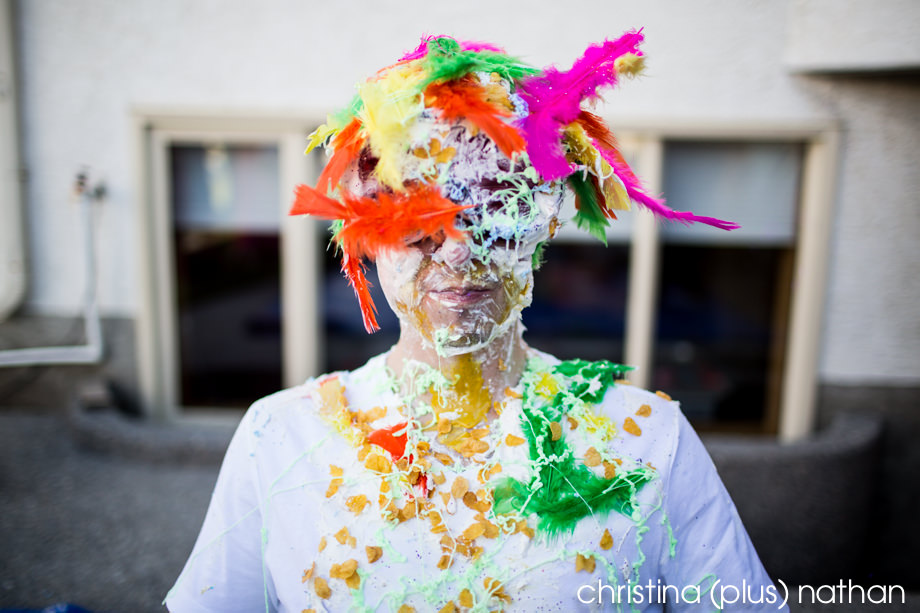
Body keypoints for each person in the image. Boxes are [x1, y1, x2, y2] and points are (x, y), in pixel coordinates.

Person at [166, 31, 786, 612]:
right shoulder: (281, 437)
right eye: (421, 225)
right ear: (366, 235)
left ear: (545, 226)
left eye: (498, 215)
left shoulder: (648, 440)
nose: (462, 254)